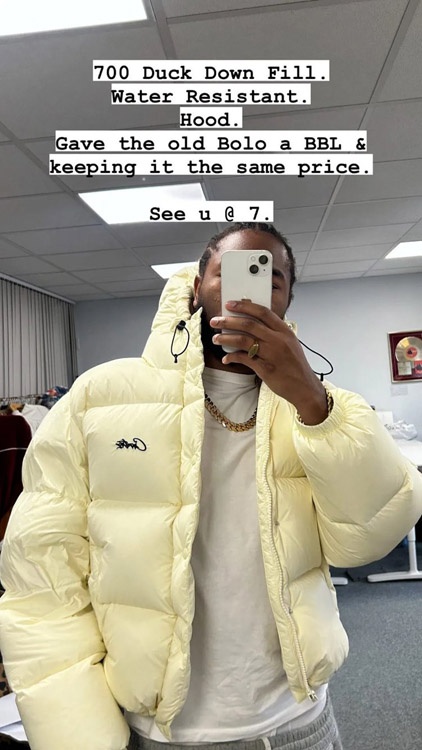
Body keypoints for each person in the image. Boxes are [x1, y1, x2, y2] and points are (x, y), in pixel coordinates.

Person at [0, 222, 421, 750]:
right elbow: (42, 581)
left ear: (288, 301)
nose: (251, 289)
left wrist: (313, 403)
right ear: (197, 287)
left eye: (272, 279)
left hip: (299, 722)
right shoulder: (99, 398)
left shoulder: (326, 409)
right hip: (162, 732)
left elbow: (364, 541)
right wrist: (83, 739)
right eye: (232, 272)